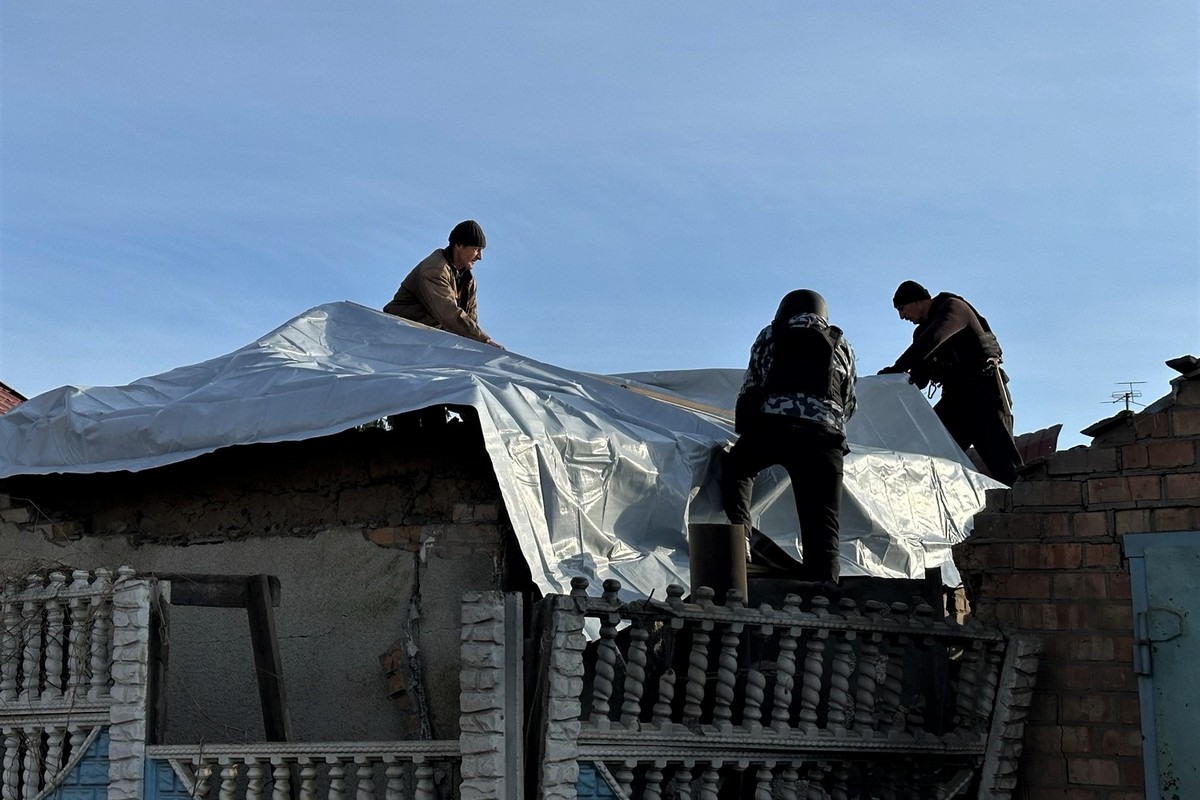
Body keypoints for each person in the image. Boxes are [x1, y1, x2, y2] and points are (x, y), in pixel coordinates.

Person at [721, 289, 857, 583]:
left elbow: (753, 382)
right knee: (823, 529)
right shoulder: (841, 342)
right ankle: (823, 595)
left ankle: (740, 537)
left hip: (774, 428)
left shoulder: (771, 334)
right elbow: (849, 403)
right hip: (825, 438)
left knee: (736, 469)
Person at [878, 280, 1022, 484]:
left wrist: (896, 368)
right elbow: (920, 375)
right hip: (955, 401)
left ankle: (1026, 508)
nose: (902, 316)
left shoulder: (953, 307)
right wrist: (891, 384)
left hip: (984, 395)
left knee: (1005, 467)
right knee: (928, 452)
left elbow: (933, 339)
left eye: (902, 309)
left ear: (918, 301)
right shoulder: (921, 332)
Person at [383, 220, 503, 348]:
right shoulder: (435, 270)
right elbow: (448, 313)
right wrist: (484, 341)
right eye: (476, 249)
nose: (479, 256)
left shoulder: (468, 281)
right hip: (397, 337)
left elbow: (470, 320)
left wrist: (476, 343)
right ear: (459, 245)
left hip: (429, 342)